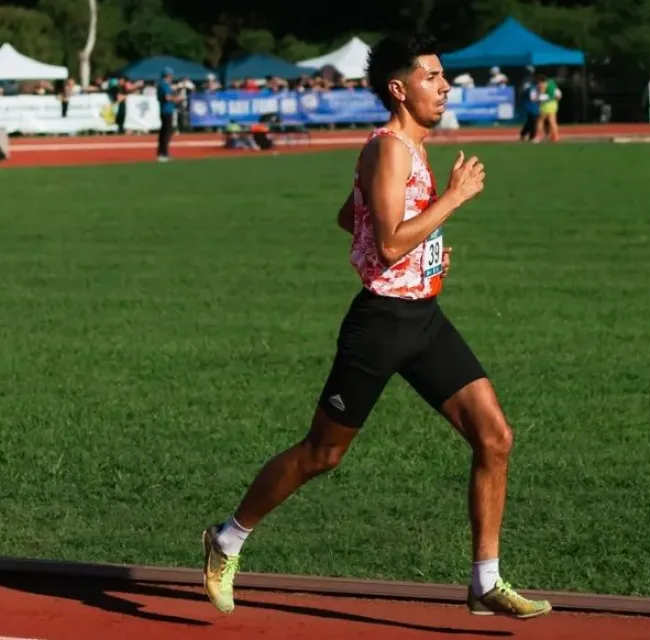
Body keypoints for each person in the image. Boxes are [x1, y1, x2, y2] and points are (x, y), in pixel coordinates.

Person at [201, 32, 552, 620]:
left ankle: (484, 581)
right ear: (399, 88)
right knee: (321, 455)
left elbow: (352, 219)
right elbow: (387, 244)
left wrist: (428, 249)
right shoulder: (390, 149)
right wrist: (454, 201)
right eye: (432, 78)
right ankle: (226, 538)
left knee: (495, 438)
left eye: (444, 78)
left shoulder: (406, 149)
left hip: (423, 318)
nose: (445, 87)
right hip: (381, 324)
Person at [156, 68, 179, 162]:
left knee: (164, 132)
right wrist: (176, 99)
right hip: (167, 110)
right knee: (166, 132)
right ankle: (163, 153)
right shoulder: (164, 85)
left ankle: (162, 153)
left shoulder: (162, 84)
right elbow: (167, 97)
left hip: (165, 110)